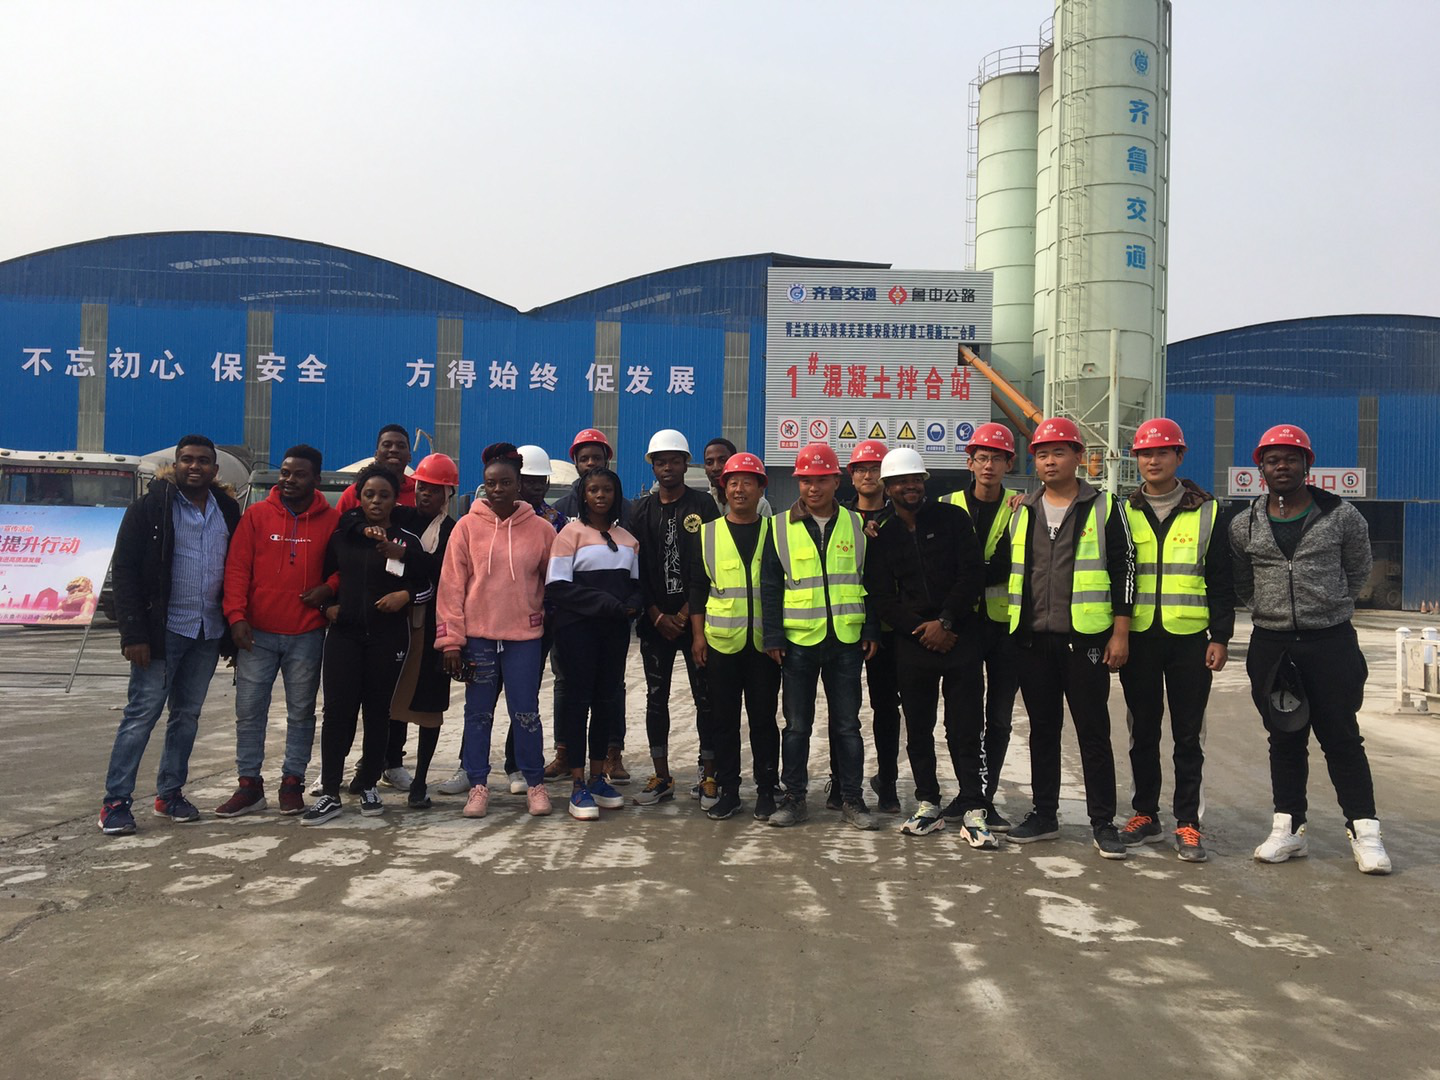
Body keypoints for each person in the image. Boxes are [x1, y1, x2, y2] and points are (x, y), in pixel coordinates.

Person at [1231, 424, 1391, 874]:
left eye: (1290, 458)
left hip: (1330, 642)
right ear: (1261, 468)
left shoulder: (1342, 516)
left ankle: (1366, 833)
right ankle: (1289, 829)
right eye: (1272, 460)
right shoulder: (1244, 523)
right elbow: (1242, 581)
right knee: (1284, 738)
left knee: (1341, 737)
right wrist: (1271, 610)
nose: (1281, 466)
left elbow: (1357, 570)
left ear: (1307, 465)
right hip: (1272, 644)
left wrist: (1329, 605)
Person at [1005, 417, 1136, 859]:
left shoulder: (1105, 506)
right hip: (1033, 641)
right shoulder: (1024, 510)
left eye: (1059, 452)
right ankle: (1044, 815)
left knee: (1093, 732)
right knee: (1042, 731)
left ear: (1079, 457)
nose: (1049, 461)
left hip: (1086, 640)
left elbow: (1125, 569)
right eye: (1042, 454)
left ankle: (1103, 822)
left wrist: (1120, 632)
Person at [99, 436, 242, 835]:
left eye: (203, 461)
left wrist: (231, 633)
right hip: (162, 632)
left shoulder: (227, 510)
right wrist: (133, 633)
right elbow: (125, 570)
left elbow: (235, 568)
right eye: (187, 459)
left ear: (214, 469)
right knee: (141, 715)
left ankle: (170, 794)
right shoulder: (150, 508)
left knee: (186, 717)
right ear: (176, 464)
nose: (194, 466)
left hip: (207, 631)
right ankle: (115, 802)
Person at [1117, 419, 1234, 862]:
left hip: (1190, 639)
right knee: (1142, 731)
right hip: (1140, 638)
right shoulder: (1122, 511)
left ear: (1179, 457)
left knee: (1188, 735)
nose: (1153, 460)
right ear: (1137, 459)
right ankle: (1145, 814)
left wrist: (1220, 636)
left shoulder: (1209, 511)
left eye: (1162, 452)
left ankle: (1188, 822)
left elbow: (1222, 579)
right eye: (1145, 453)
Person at [865, 448, 993, 846]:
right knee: (918, 727)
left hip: (960, 637)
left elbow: (972, 574)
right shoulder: (882, 535)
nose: (910, 487)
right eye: (901, 482)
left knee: (965, 727)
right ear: (887, 488)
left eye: (916, 480)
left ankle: (973, 806)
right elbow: (881, 596)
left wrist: (947, 621)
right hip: (913, 643)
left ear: (924, 482)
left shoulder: (952, 519)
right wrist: (921, 630)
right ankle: (928, 803)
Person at [301, 464, 431, 825]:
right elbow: (327, 578)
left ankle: (370, 785)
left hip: (388, 638)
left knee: (377, 712)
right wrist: (327, 607)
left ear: (395, 499)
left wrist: (405, 596)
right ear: (359, 497)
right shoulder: (343, 534)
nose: (376, 501)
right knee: (336, 713)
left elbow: (428, 585)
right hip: (344, 636)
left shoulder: (407, 541)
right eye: (369, 494)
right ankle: (330, 792)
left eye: (384, 495)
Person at [760, 442, 880, 830]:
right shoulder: (778, 526)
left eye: (822, 480)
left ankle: (852, 799)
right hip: (798, 642)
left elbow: (868, 581)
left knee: (848, 726)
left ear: (836, 481)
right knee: (797, 727)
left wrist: (871, 628)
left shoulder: (856, 525)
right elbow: (770, 586)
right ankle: (794, 799)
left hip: (846, 640)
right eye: (806, 481)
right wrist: (774, 636)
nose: (814, 488)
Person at [216, 445, 338, 818]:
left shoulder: (332, 520)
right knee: (249, 711)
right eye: (285, 473)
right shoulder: (256, 516)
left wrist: (329, 588)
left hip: (306, 634)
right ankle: (249, 786)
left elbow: (346, 566)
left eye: (299, 474)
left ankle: (292, 783)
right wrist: (236, 616)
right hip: (257, 634)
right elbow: (237, 568)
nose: (289, 480)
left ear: (316, 479)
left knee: (301, 713)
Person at [435, 444, 556, 819]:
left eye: (506, 482)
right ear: (483, 486)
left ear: (519, 485)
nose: (498, 489)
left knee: (526, 713)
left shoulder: (542, 529)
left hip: (524, 639)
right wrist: (451, 641)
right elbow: (451, 587)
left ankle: (534, 783)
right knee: (478, 714)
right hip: (479, 639)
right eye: (491, 483)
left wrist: (544, 618)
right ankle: (477, 785)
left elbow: (553, 584)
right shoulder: (466, 528)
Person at [630, 428, 721, 808]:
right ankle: (661, 775)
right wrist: (654, 613)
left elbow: (713, 562)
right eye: (660, 462)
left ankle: (709, 775)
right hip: (655, 624)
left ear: (686, 464)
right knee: (656, 699)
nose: (667, 467)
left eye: (674, 460)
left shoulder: (704, 505)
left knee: (706, 698)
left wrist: (686, 612)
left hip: (696, 621)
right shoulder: (640, 511)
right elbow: (636, 569)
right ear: (652, 466)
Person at [545, 467, 642, 821]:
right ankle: (577, 784)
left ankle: (599, 778)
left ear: (616, 495)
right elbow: (557, 586)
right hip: (577, 632)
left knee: (605, 703)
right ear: (583, 496)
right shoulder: (569, 534)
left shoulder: (628, 540)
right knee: (578, 702)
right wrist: (607, 604)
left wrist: (634, 603)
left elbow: (635, 584)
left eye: (607, 490)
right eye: (593, 490)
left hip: (613, 634)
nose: (600, 495)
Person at [689, 452, 782, 821]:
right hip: (721, 643)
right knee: (724, 721)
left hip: (764, 645)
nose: (739, 489)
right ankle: (729, 790)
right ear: (722, 489)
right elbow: (698, 588)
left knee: (764, 719)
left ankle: (766, 788)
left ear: (761, 489)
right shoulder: (708, 533)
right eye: (732, 482)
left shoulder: (777, 532)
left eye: (748, 482)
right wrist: (698, 637)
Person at [940, 422, 1023, 830]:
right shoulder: (945, 504)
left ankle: (984, 798)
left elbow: (1011, 565)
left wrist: (972, 571)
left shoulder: (1022, 508)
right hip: (962, 626)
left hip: (1006, 627)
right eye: (982, 458)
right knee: (960, 716)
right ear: (969, 462)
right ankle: (967, 792)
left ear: (1010, 463)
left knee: (1000, 718)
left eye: (997, 459)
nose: (989, 465)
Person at [335, 423, 419, 792]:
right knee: (344, 702)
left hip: (398, 616)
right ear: (376, 449)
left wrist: (409, 591)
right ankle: (337, 767)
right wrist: (333, 600)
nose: (394, 451)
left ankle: (391, 761)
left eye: (401, 445)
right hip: (353, 617)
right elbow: (339, 540)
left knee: (389, 700)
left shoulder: (418, 492)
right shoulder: (353, 496)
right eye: (387, 445)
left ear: (410, 454)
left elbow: (422, 556)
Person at [489, 444, 572, 798]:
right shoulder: (489, 517)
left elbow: (559, 575)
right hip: (491, 621)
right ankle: (468, 765)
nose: (535, 487)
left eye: (541, 481)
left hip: (536, 626)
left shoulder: (555, 522)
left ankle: (517, 763)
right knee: (483, 698)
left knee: (524, 698)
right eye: (529, 480)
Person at [389, 453, 460, 809]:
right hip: (393, 623)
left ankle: (420, 781)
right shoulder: (400, 518)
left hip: (433, 626)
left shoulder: (452, 530)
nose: (425, 494)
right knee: (391, 701)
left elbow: (442, 570)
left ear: (447, 493)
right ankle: (386, 764)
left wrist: (403, 556)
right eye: (421, 487)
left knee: (429, 705)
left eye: (434, 489)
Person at [842, 438, 903, 814]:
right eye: (861, 469)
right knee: (844, 711)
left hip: (891, 628)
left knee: (886, 708)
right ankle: (840, 780)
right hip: (846, 625)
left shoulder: (902, 515)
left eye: (875, 468)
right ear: (851, 477)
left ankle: (888, 782)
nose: (868, 475)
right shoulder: (839, 517)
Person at [703, 437, 772, 518]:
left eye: (722, 460)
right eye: (709, 462)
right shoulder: (701, 503)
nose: (716, 468)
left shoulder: (760, 504)